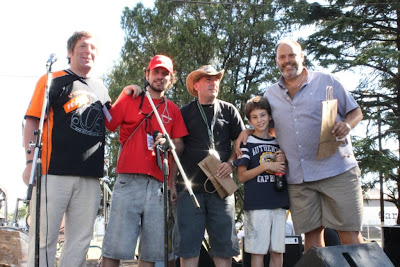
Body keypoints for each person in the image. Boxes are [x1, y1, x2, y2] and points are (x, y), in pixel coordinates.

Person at [236, 40, 364, 252]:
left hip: (336, 171)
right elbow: (266, 126)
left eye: (292, 55)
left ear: (302, 56)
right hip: (298, 178)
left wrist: (347, 126)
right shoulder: (271, 94)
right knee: (312, 241)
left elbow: (356, 112)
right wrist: (247, 131)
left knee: (349, 235)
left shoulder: (327, 81)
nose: (287, 61)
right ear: (277, 61)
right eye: (282, 57)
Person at [23, 31, 111, 267]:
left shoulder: (101, 88)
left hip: (90, 176)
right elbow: (32, 120)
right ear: (70, 53)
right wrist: (30, 161)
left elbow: (114, 121)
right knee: (44, 238)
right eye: (82, 46)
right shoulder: (53, 78)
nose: (88, 51)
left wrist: (129, 92)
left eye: (92, 48)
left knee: (81, 240)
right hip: (53, 171)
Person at [101, 55, 188, 267]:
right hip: (129, 180)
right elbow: (109, 123)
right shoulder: (131, 99)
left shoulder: (173, 110)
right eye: (156, 72)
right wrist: (123, 93)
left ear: (171, 78)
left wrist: (171, 183)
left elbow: (179, 148)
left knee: (151, 253)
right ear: (146, 74)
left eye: (165, 73)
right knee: (114, 248)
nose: (160, 77)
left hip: (159, 184)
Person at [174, 65, 245, 267]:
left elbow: (241, 140)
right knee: (188, 248)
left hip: (221, 188)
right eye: (208, 79)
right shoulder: (184, 112)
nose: (214, 83)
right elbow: (176, 148)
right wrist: (171, 184)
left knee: (224, 247)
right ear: (196, 85)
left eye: (216, 79)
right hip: (190, 189)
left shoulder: (229, 110)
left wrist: (231, 163)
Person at [235, 96, 289, 267]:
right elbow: (242, 176)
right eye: (255, 117)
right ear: (249, 120)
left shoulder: (279, 143)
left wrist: (282, 163)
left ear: (270, 116)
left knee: (278, 251)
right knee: (257, 252)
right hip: (257, 205)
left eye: (263, 115)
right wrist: (266, 166)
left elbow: (284, 172)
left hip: (279, 202)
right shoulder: (246, 143)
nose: (260, 120)